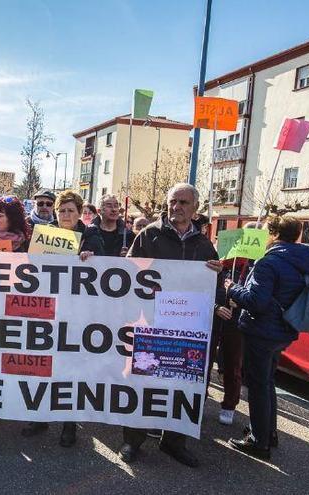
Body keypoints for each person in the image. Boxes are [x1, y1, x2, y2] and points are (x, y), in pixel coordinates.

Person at [118, 183, 224, 468]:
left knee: (181, 386)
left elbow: (214, 286)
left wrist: (217, 276)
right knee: (145, 384)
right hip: (152, 325)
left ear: (195, 208)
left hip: (186, 330)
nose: (176, 207)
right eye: (172, 201)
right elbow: (127, 275)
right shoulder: (148, 235)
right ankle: (133, 440)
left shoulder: (203, 244)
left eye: (183, 203)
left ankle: (174, 442)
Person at [225, 216, 309, 461]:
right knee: (267, 382)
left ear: (273, 233)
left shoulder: (269, 262)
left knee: (258, 385)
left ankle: (259, 441)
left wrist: (232, 287)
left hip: (262, 331)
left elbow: (256, 301)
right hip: (284, 330)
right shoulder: (304, 259)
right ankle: (267, 432)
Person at [20, 189, 86, 445]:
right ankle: (40, 417)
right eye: (61, 210)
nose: (65, 215)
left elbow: (104, 265)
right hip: (46, 311)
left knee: (70, 370)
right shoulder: (45, 235)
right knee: (42, 367)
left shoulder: (91, 236)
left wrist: (89, 257)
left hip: (76, 314)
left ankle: (69, 425)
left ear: (80, 213)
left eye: (70, 210)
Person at [214, 221, 259, 426]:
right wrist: (218, 304)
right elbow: (207, 285)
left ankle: (229, 405)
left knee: (233, 365)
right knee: (204, 360)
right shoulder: (224, 260)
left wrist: (237, 300)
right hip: (215, 316)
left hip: (237, 321)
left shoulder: (258, 265)